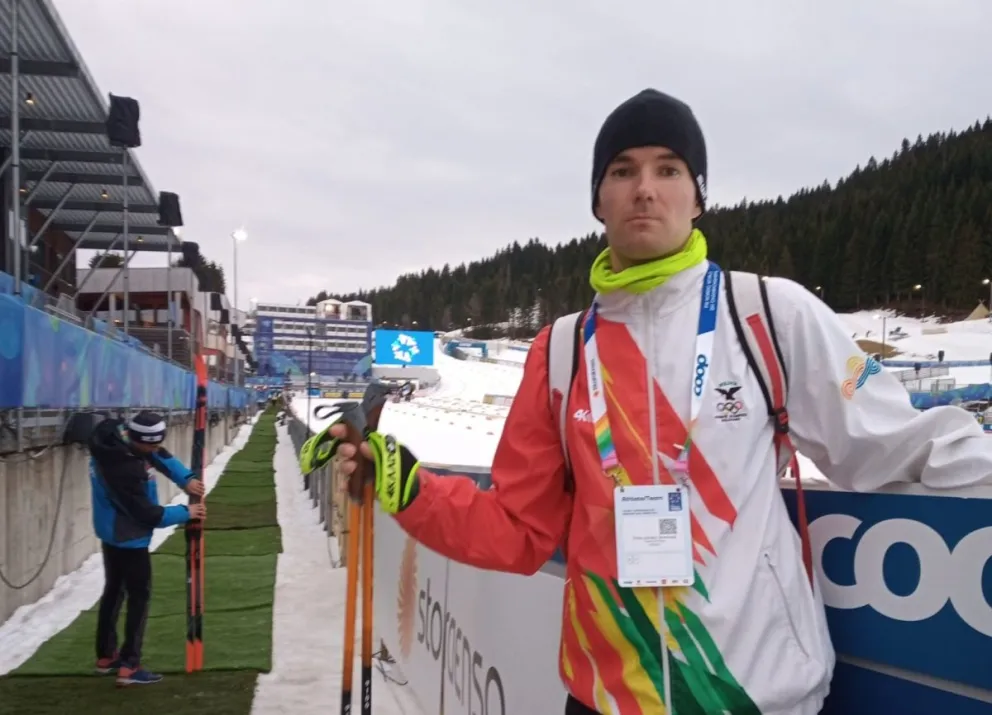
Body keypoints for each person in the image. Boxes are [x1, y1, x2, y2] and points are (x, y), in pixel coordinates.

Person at [318, 89, 992, 714]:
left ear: (698, 196)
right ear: (598, 200)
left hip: (757, 696)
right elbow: (520, 532)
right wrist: (406, 485)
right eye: (622, 170)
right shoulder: (558, 352)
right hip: (606, 697)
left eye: (669, 169)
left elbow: (899, 446)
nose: (645, 188)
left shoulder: (764, 314)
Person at [88, 410, 206, 687]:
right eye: (150, 444)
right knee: (139, 598)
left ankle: (105, 657)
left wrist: (185, 478)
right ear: (137, 440)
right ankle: (130, 664)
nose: (154, 449)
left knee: (114, 592)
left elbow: (157, 454)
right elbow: (148, 515)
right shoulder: (124, 470)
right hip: (129, 537)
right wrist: (186, 512)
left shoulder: (117, 439)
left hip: (111, 532)